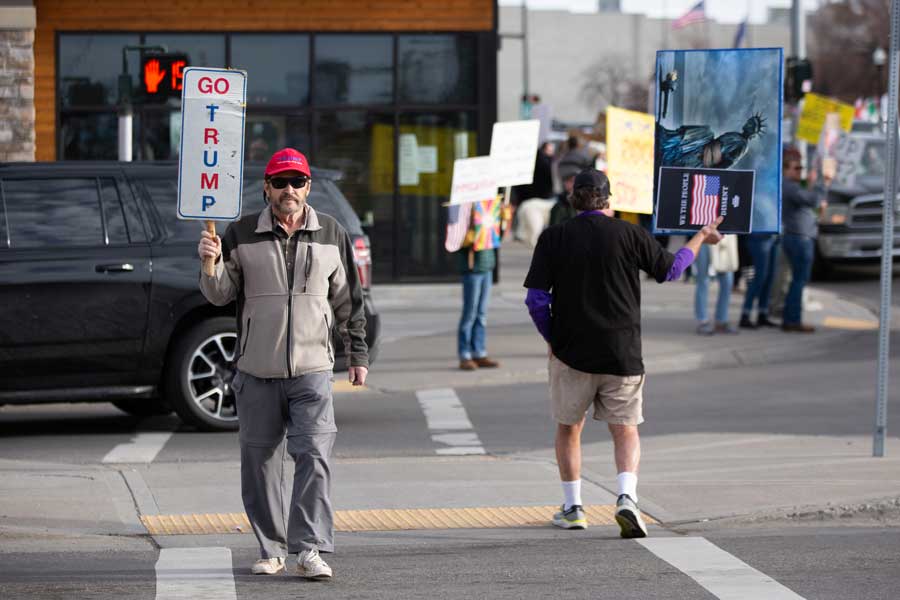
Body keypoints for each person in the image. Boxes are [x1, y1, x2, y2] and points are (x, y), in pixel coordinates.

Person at [197, 147, 369, 579]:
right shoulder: (239, 234)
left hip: (313, 369)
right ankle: (270, 548)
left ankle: (309, 549)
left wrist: (357, 353)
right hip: (256, 370)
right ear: (266, 188)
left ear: (308, 187)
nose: (288, 190)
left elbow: (349, 299)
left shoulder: (332, 232)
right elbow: (219, 295)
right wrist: (209, 262)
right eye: (280, 182)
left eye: (296, 181)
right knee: (260, 463)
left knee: (314, 455)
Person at [523, 168, 723, 538]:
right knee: (626, 430)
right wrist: (700, 237)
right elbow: (672, 270)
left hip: (571, 353)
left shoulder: (554, 237)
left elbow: (536, 299)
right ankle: (627, 498)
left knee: (569, 428)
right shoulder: (631, 234)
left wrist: (551, 337)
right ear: (609, 201)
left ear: (572, 201)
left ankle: (573, 508)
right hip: (623, 352)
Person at [781, 148, 825, 332]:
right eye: (796, 168)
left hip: (800, 237)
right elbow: (813, 199)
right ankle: (792, 320)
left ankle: (792, 318)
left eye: (801, 168)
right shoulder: (790, 187)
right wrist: (821, 184)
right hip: (799, 239)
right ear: (786, 170)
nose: (800, 171)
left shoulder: (793, 185)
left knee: (798, 280)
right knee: (799, 281)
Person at [457, 243, 501, 371]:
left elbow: (498, 236)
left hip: (487, 266)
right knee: (469, 314)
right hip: (472, 268)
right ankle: (465, 355)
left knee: (481, 314)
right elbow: (457, 239)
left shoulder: (489, 221)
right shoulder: (465, 222)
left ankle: (479, 352)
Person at [693, 235, 739, 335]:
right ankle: (702, 321)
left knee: (727, 282)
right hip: (704, 235)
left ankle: (721, 320)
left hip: (725, 236)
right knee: (703, 280)